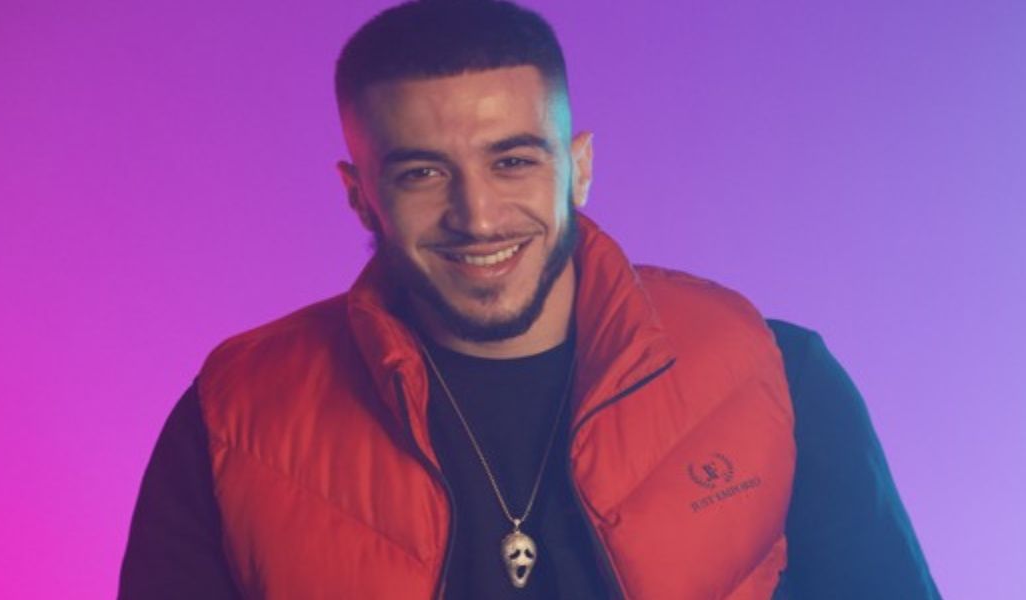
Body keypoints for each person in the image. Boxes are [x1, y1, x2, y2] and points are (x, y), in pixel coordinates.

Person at [119, 1, 940, 598]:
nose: (477, 216)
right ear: (360, 196)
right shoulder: (235, 416)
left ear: (578, 168)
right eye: (422, 173)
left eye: (513, 161)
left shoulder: (774, 374)